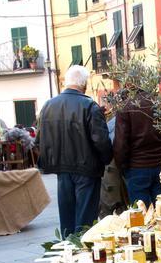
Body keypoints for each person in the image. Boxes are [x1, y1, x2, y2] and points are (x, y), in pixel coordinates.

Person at [37, 65, 111, 237]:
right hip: (87, 168)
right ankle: (82, 252)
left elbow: (39, 139)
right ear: (84, 83)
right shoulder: (89, 106)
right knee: (85, 220)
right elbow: (101, 140)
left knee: (67, 218)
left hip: (62, 169)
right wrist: (106, 159)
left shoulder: (48, 105)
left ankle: (68, 253)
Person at [113, 88, 161, 207]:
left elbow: (120, 144)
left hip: (137, 167)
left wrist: (122, 167)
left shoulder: (126, 106)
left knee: (141, 216)